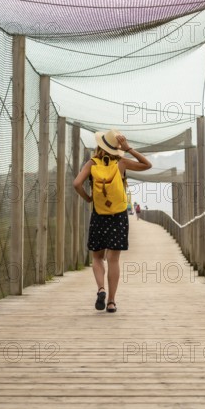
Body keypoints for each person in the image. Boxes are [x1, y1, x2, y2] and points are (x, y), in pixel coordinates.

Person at [73, 129, 152, 313]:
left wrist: (87, 198)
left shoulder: (92, 163)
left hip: (99, 215)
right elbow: (147, 165)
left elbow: (76, 183)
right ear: (117, 149)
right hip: (118, 216)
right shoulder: (121, 163)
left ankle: (100, 289)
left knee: (97, 257)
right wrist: (129, 148)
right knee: (113, 260)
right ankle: (111, 302)